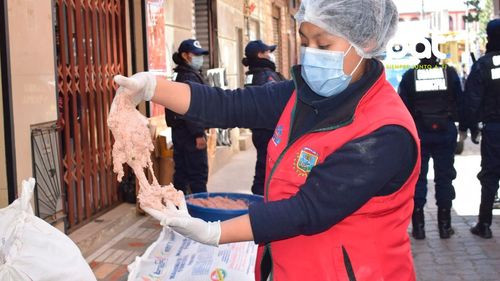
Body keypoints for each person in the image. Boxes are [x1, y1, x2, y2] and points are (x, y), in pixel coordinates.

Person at [114, 0, 421, 280]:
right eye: (304, 42)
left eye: (324, 45)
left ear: (366, 42)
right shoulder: (298, 95)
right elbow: (227, 105)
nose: (311, 53)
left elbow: (307, 210)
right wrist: (151, 88)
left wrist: (214, 232)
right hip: (290, 266)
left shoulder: (385, 130)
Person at [398, 38, 464, 240]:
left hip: (419, 134)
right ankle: (445, 227)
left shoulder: (410, 77)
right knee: (444, 178)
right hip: (445, 132)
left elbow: (402, 108)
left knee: (418, 179)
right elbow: (460, 102)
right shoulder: (449, 73)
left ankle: (419, 228)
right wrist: (463, 130)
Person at [463, 19, 500, 239]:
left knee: (490, 176)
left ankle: (484, 224)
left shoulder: (483, 65)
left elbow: (472, 101)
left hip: (494, 130)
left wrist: (471, 128)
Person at [165, 39, 209, 194]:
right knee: (197, 175)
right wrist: (198, 134)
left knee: (182, 174)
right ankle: (199, 211)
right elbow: (191, 107)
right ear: (184, 55)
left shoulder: (179, 74)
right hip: (190, 134)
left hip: (180, 133)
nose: (199, 58)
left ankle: (181, 210)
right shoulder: (188, 77)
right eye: (195, 54)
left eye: (200, 54)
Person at [242, 40, 286, 195]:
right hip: (269, 129)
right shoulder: (266, 75)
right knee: (268, 168)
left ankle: (259, 196)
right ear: (260, 54)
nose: (270, 55)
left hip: (259, 128)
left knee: (263, 165)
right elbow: (276, 102)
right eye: (268, 52)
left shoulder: (251, 74)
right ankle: (261, 200)